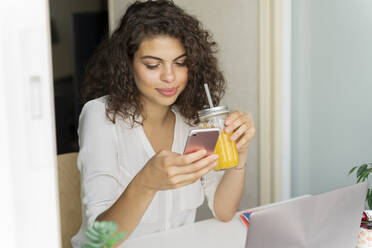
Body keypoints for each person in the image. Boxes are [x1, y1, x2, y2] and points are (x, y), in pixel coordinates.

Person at [71, 0, 256, 247]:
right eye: (153, 64)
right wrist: (145, 183)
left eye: (180, 63)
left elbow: (223, 211)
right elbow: (100, 240)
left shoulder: (193, 120)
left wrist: (239, 156)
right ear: (128, 65)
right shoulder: (101, 116)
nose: (170, 77)